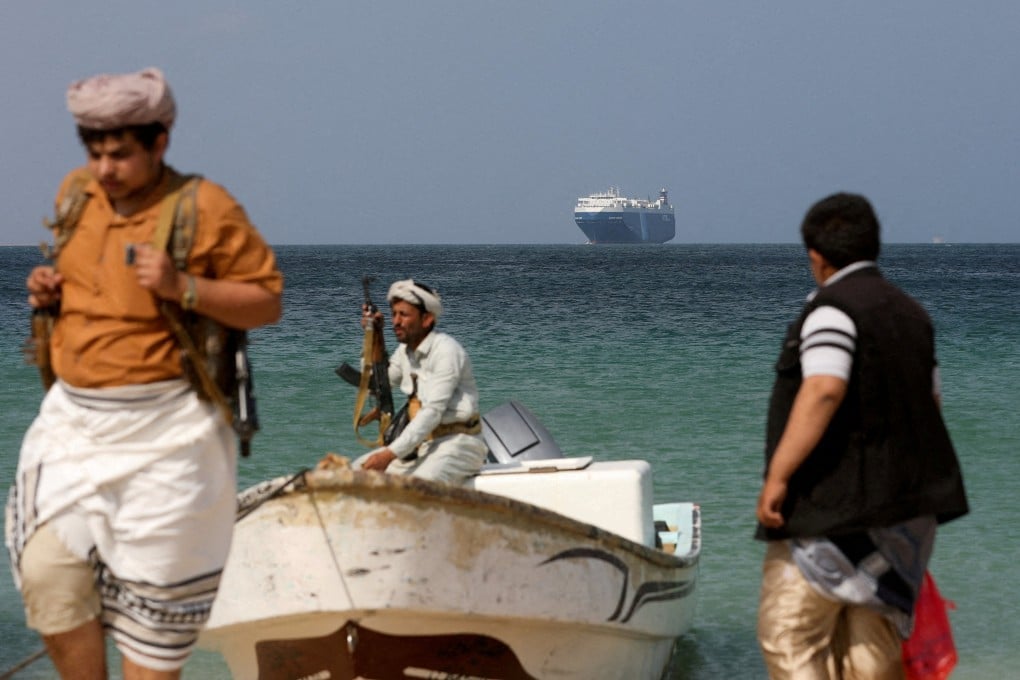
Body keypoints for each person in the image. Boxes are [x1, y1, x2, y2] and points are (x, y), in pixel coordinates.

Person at [4, 68, 283, 679]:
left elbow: (266, 302)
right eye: (96, 153)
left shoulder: (205, 207)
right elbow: (93, 283)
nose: (105, 169)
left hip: (171, 434)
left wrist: (183, 286)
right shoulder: (77, 194)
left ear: (160, 142)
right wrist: (49, 292)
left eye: (121, 154)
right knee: (47, 575)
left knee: (156, 616)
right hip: (74, 426)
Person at [755, 192, 968, 679]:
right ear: (874, 245)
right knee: (872, 654)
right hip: (903, 520)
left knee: (790, 637)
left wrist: (778, 477)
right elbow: (931, 403)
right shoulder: (913, 315)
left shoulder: (830, 311)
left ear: (816, 256)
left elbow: (824, 389)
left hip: (830, 514)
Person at [357, 279, 488, 484]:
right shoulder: (404, 352)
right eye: (393, 314)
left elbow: (432, 412)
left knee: (416, 488)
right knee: (351, 474)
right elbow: (377, 385)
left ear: (427, 319)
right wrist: (374, 335)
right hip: (422, 446)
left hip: (460, 445)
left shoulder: (446, 351)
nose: (396, 321)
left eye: (404, 315)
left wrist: (389, 454)